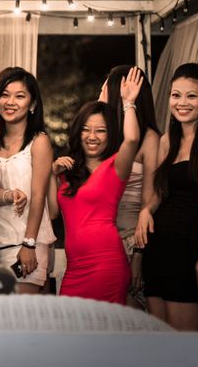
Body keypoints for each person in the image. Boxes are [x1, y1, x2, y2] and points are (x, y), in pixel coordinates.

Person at [139, 63, 198, 331]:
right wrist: (147, 210)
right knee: (160, 341)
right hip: (157, 252)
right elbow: (160, 192)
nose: (182, 103)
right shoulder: (167, 141)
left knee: (185, 345)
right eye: (176, 95)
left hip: (187, 252)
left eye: (191, 95)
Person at [48, 67, 142, 305]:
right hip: (75, 268)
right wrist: (52, 175)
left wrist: (128, 103)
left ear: (110, 135)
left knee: (103, 337)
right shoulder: (68, 173)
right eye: (86, 130)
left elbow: (131, 139)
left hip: (107, 265)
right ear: (78, 133)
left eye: (101, 131)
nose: (92, 137)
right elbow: (52, 212)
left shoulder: (116, 166)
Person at [0, 67, 56, 293]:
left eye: (19, 96)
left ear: (32, 105)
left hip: (26, 244)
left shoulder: (39, 142)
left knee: (22, 320)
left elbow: (39, 196)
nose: (10, 101)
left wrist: (29, 243)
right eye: (5, 94)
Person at [98, 65, 160, 304]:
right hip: (99, 238)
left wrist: (138, 256)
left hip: (129, 241)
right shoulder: (102, 134)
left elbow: (149, 198)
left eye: (104, 90)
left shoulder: (149, 138)